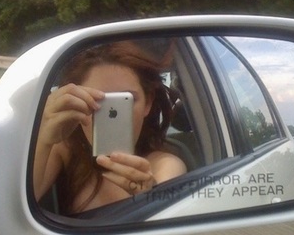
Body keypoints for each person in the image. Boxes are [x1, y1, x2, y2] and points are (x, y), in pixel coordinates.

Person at [33, 41, 187, 215]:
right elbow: (18, 204)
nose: (112, 114)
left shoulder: (164, 165)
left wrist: (148, 198)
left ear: (148, 103)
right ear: (75, 103)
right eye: (97, 101)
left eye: (125, 100)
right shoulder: (65, 149)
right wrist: (43, 138)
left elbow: (164, 224)